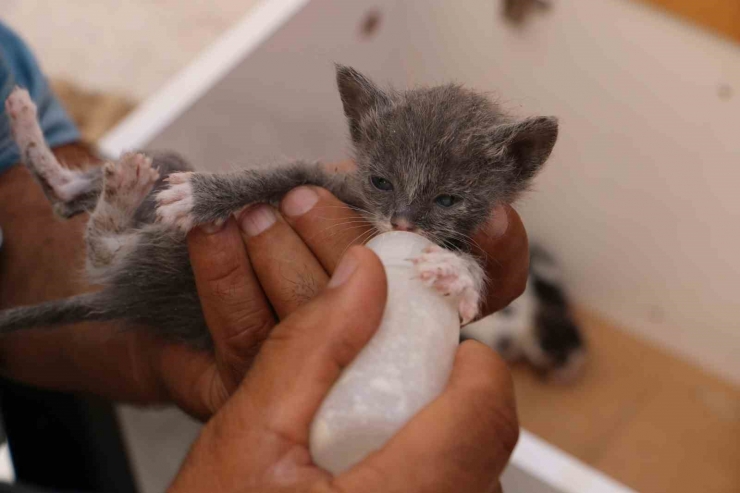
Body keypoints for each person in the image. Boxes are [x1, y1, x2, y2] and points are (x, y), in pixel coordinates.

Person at [0, 21, 528, 492]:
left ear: (516, 170)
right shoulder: (348, 193)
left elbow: (459, 276)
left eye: (446, 200)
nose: (403, 221)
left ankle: (94, 220)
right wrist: (215, 194)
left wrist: (462, 272)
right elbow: (298, 174)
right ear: (361, 130)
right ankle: (93, 218)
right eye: (382, 184)